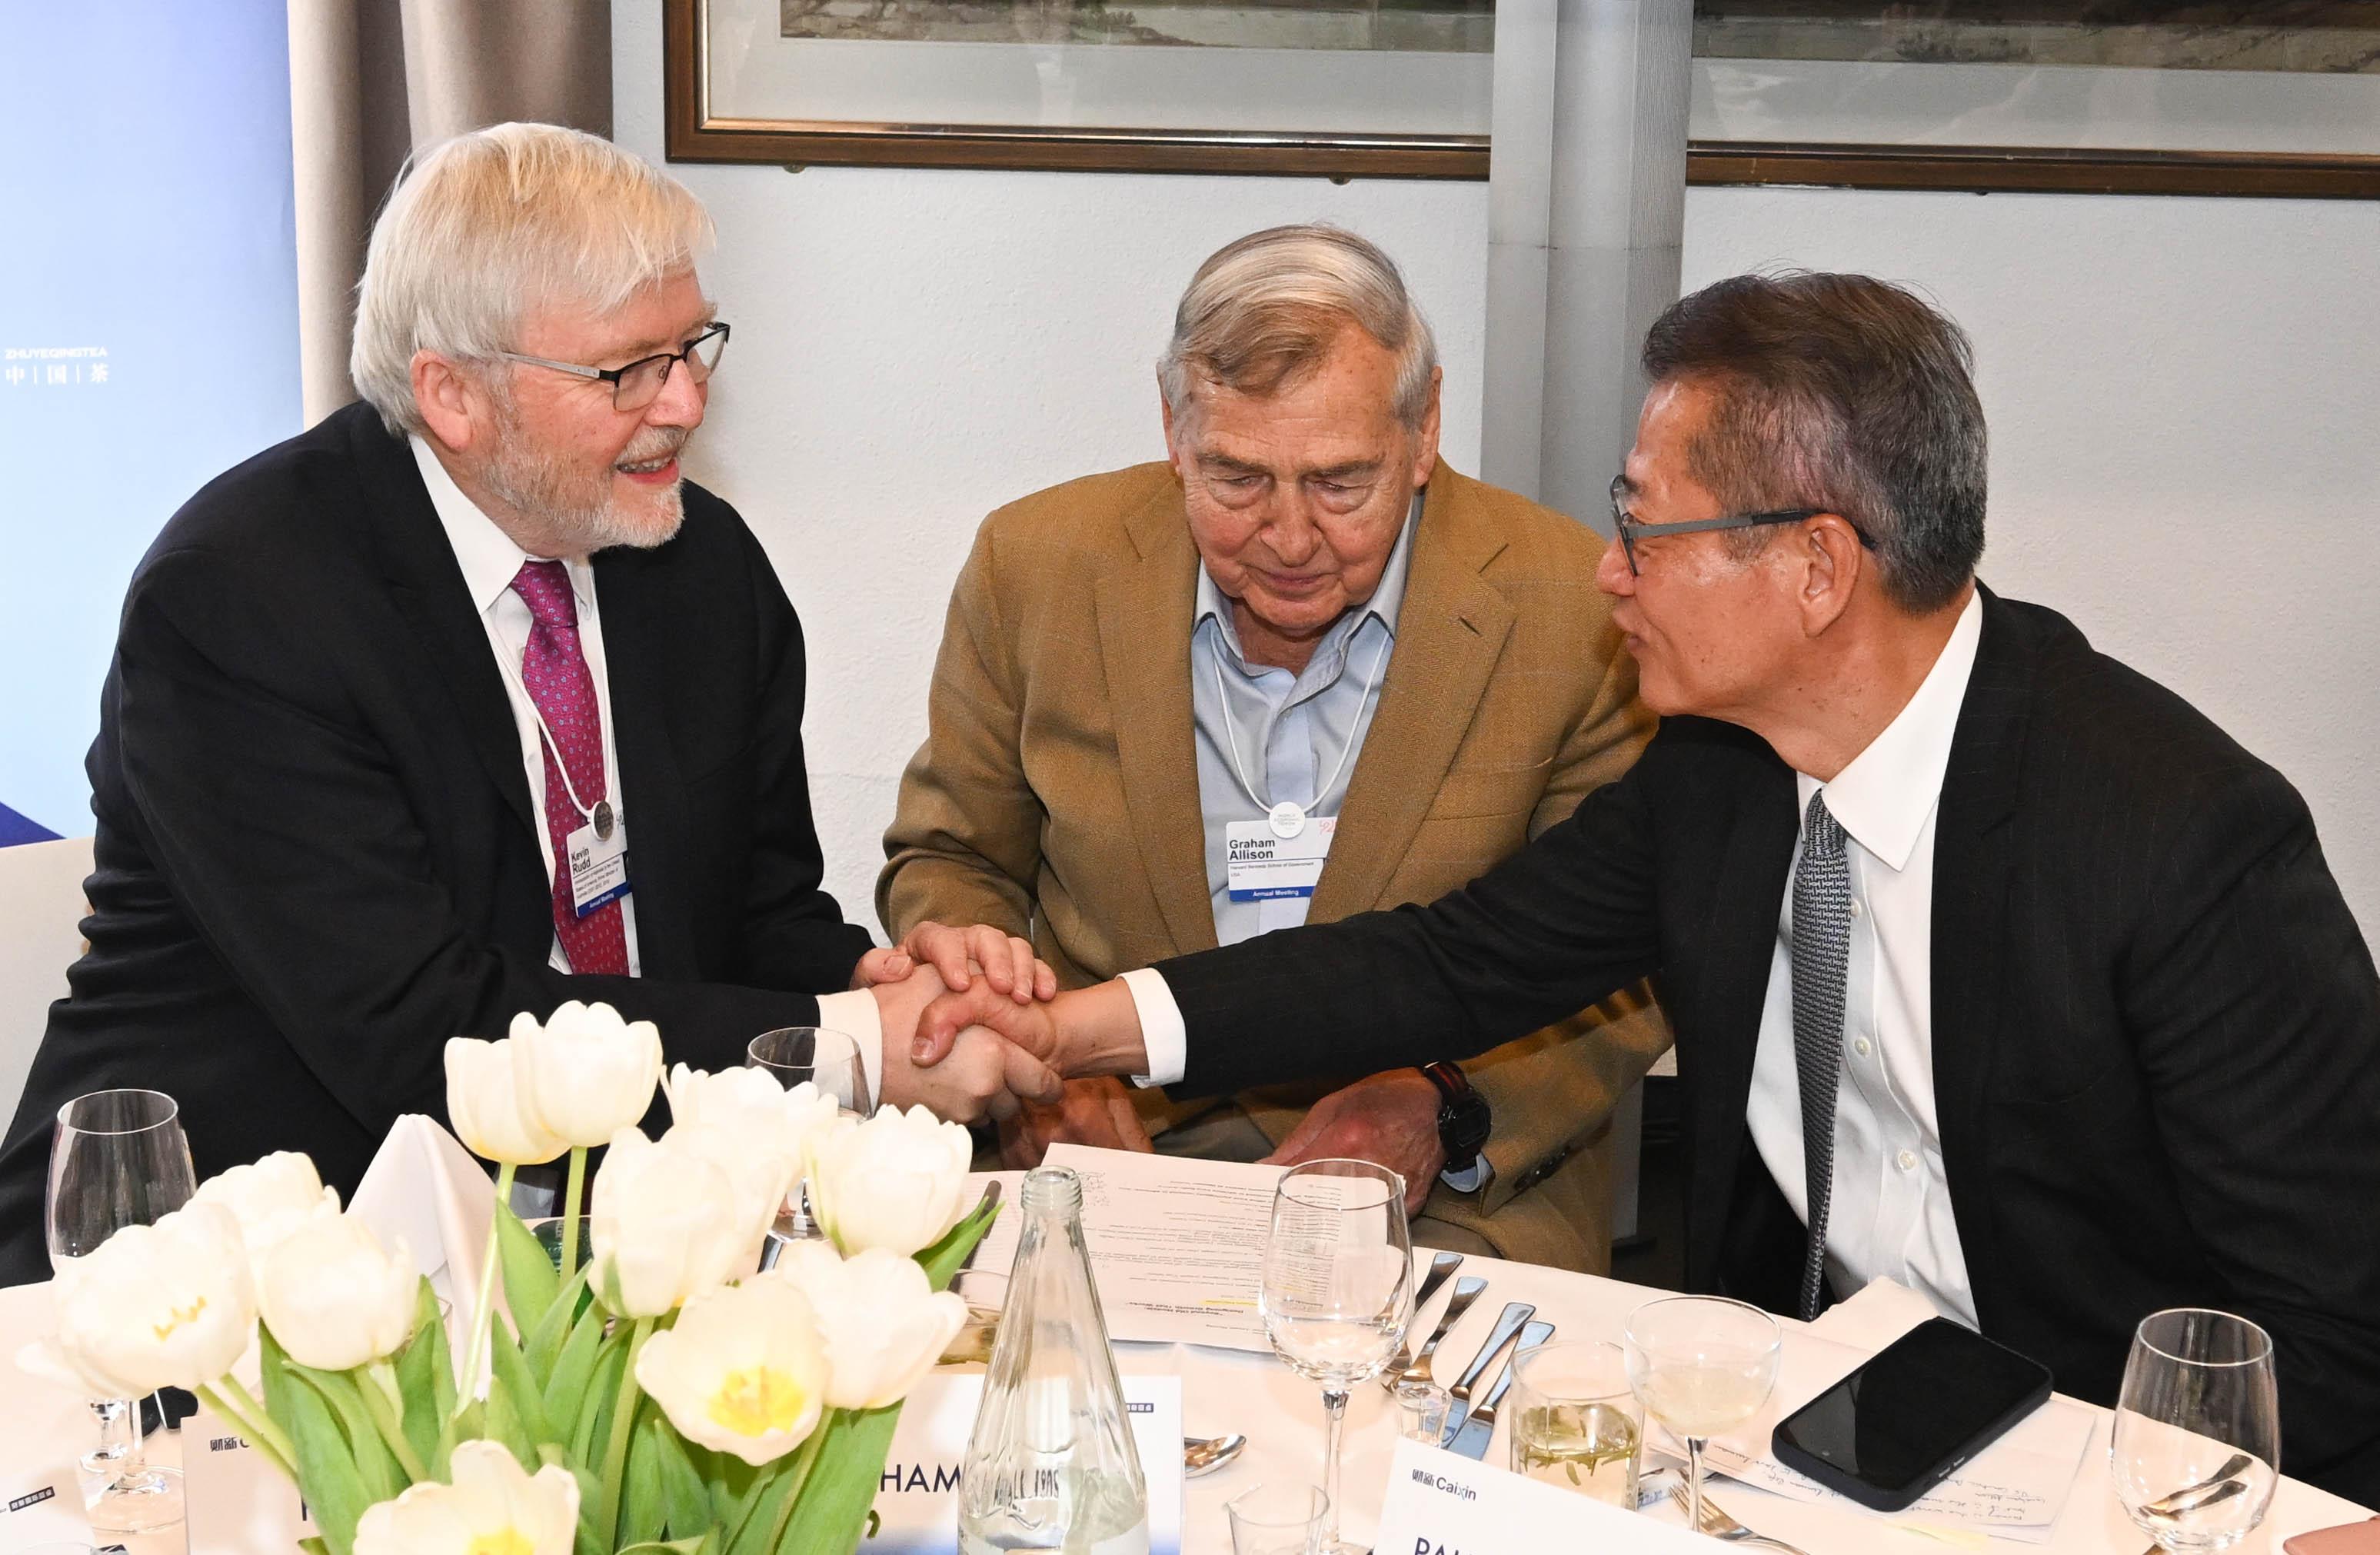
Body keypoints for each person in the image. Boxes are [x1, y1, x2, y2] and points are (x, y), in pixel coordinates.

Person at [917, 271, 2380, 1501]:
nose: (1607, 576)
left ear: (1815, 568)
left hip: (2075, 1464)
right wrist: (1071, 1029)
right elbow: (1443, 965)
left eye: (1645, 529)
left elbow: (2336, 1336)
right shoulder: (1722, 775)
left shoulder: (2181, 842)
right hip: (1776, 1428)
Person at [0, 124, 1055, 1284]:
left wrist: (885, 987)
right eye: (628, 370)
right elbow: (419, 1031)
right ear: (452, 393)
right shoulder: (241, 602)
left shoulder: (704, 572)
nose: (687, 402)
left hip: (615, 1245)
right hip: (227, 1269)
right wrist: (851, 1053)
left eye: (695, 346)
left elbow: (758, 918)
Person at [880, 226, 1669, 1271]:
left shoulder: (1576, 607)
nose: (1289, 539)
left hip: (1440, 1195)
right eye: (1238, 480)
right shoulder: (1037, 569)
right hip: (1110, 1154)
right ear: (1174, 429)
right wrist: (1029, 1055)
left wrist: (1441, 1101)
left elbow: (1635, 960)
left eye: (1341, 484)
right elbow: (953, 857)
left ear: (1424, 428)